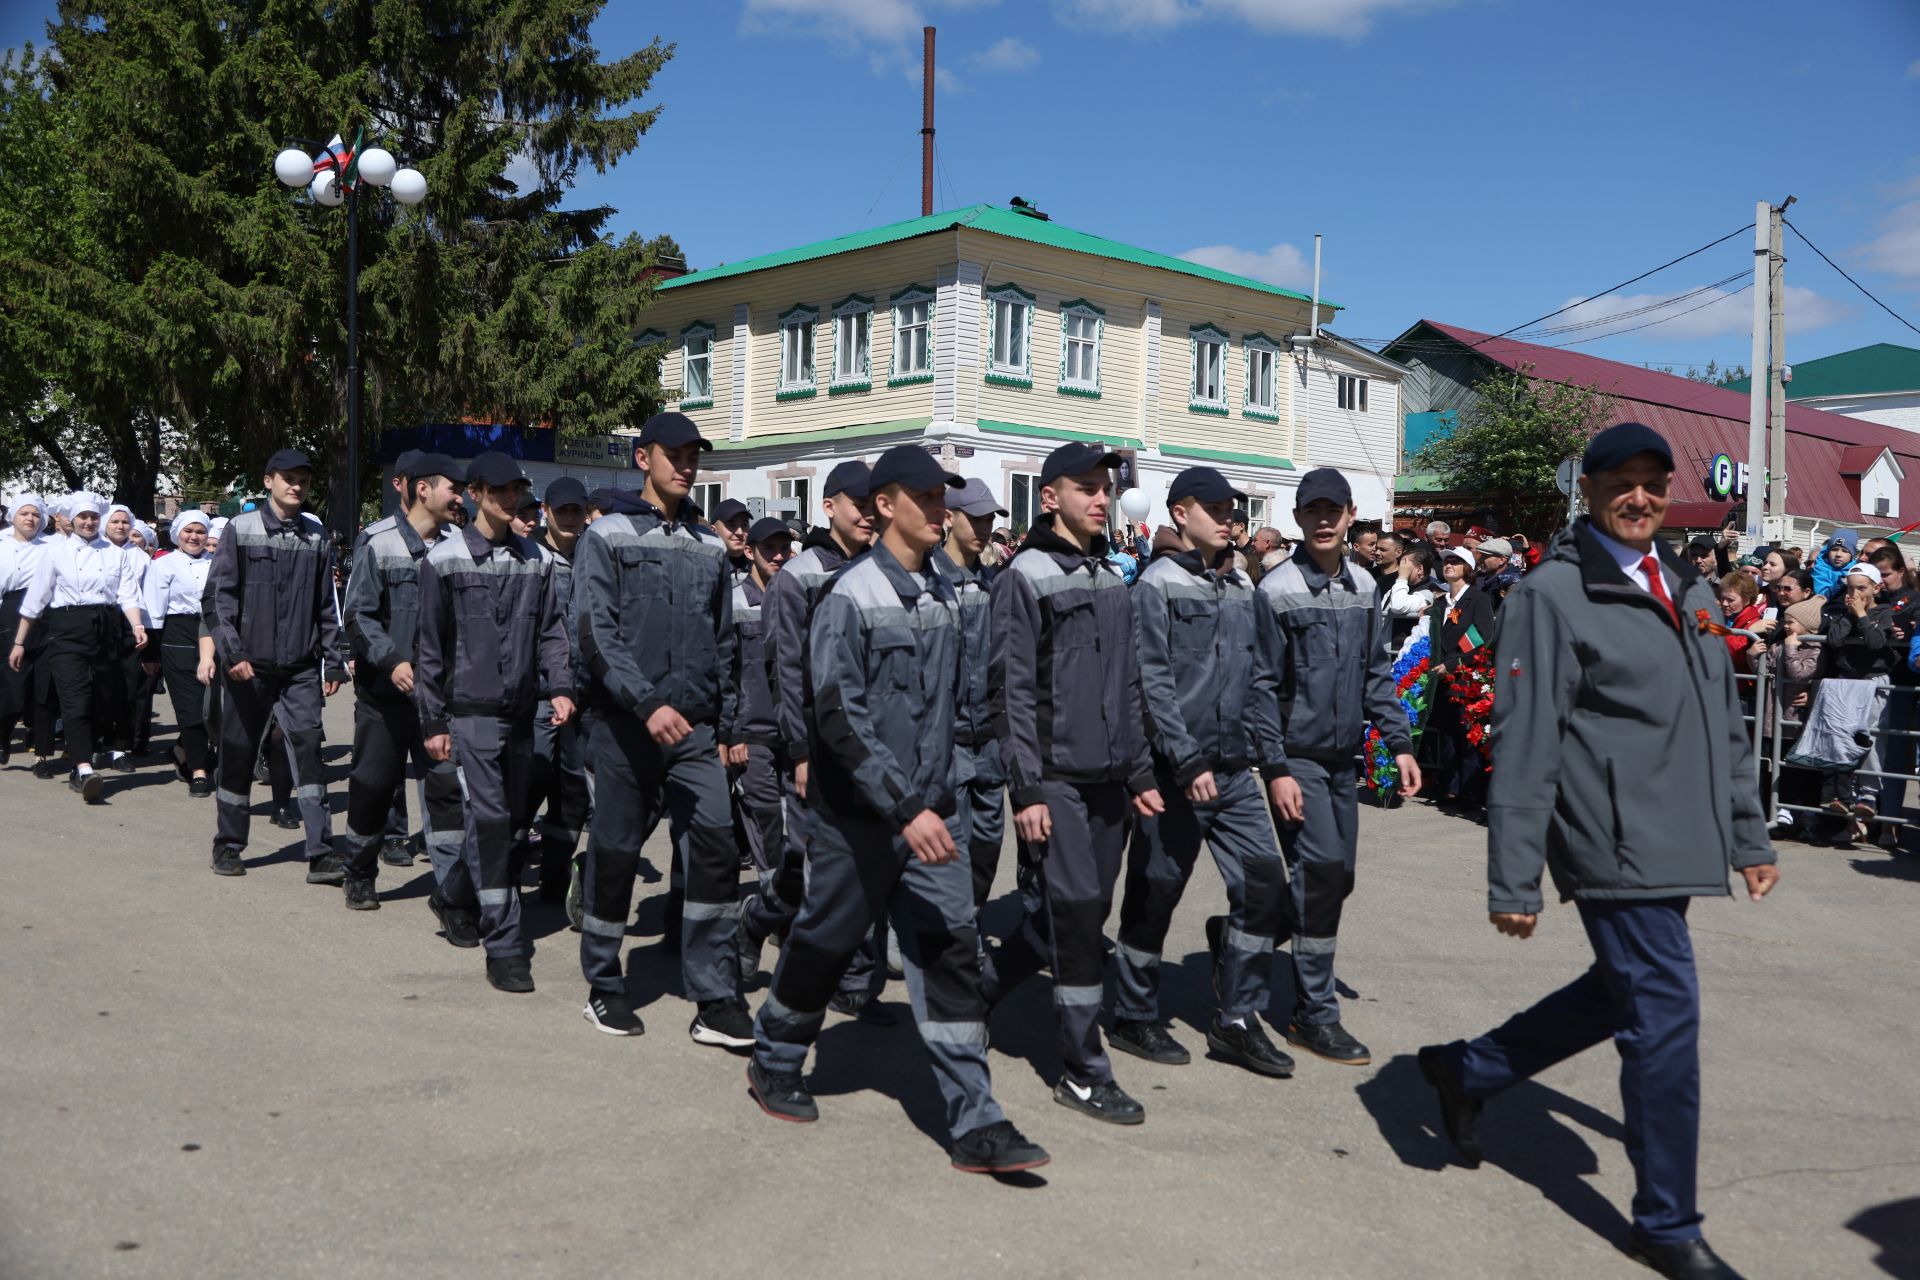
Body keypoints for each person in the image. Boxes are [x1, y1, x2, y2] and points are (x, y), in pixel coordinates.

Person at [1417, 421, 1778, 1280]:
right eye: (1623, 481)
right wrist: (1514, 875)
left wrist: (1747, 832)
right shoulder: (1553, 594)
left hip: (1680, 835)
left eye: (1655, 481)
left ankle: (1467, 1070)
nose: (1640, 497)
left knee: (1617, 993)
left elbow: (1723, 724)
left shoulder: (1687, 586)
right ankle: (1665, 1221)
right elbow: (1528, 735)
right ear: (1588, 489)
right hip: (1610, 836)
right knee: (1663, 1015)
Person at [746, 445, 1050, 1175]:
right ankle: (776, 1054)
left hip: (930, 813)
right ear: (885, 505)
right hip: (859, 820)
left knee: (950, 948)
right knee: (823, 943)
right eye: (926, 497)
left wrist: (970, 785)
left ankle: (977, 1120)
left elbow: (964, 704)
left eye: (942, 498)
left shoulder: (949, 593)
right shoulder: (849, 596)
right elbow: (839, 719)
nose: (941, 509)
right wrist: (903, 803)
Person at [987, 441, 1165, 1126]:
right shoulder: (1024, 576)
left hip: (1110, 784)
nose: (1101, 497)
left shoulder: (1112, 577)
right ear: (1049, 496)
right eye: (1086, 486)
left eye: (1106, 487)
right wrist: (1027, 791)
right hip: (1055, 779)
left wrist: (1141, 772)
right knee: (1082, 916)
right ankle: (1085, 1072)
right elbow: (1011, 695)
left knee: (1079, 913)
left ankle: (977, 989)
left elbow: (1128, 684)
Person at [1109, 466, 1295, 1077]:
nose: (1227, 518)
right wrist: (1184, 760)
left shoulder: (1243, 589)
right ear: (1180, 513)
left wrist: (1275, 765)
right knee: (1155, 892)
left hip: (1236, 771)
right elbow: (1151, 681)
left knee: (1265, 884)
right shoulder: (1155, 585)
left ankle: (1236, 1019)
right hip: (1175, 773)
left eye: (1231, 509)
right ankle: (1134, 1013)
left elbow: (1260, 683)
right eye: (1212, 508)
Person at [573, 413, 748, 1044]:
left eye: (693, 454)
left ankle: (716, 995)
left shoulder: (709, 546)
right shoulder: (608, 537)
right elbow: (596, 634)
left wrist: (728, 725)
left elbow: (725, 643)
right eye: (672, 453)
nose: (685, 463)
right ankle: (604, 983)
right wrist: (646, 704)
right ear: (643, 458)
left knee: (716, 850)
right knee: (617, 854)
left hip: (697, 731)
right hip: (627, 728)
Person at [1257, 468, 1421, 1066]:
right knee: (1322, 873)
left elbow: (1376, 672)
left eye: (1334, 510)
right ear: (1299, 519)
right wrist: (1273, 766)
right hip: (1296, 758)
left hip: (1342, 760)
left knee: (1336, 878)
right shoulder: (1275, 590)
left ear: (1352, 515)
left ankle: (1241, 940)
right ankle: (1313, 1014)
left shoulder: (1360, 586)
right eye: (1312, 511)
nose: (1323, 520)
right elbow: (1260, 685)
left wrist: (1399, 743)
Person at [413, 452, 573, 992]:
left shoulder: (538, 559)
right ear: (477, 492)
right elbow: (430, 648)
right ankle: (505, 945)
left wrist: (562, 686)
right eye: (500, 490)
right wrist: (433, 721)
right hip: (470, 715)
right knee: (493, 822)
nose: (511, 500)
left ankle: (452, 894)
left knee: (504, 827)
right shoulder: (445, 559)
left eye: (517, 491)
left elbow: (552, 631)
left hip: (525, 715)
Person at [757, 458, 882, 1017]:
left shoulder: (884, 569)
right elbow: (787, 670)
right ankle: (780, 939)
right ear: (829, 507)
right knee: (815, 864)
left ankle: (850, 976)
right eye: (858, 504)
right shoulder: (797, 576)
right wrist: (801, 751)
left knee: (857, 863)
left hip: (871, 747)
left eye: (873, 503)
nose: (869, 515)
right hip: (815, 745)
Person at [201, 450, 346, 878]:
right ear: (268, 481)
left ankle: (321, 852)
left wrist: (333, 662)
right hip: (249, 668)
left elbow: (326, 606)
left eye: (303, 479)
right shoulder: (240, 530)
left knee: (309, 753)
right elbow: (216, 600)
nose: (296, 485)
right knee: (239, 754)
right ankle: (228, 845)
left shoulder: (316, 539)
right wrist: (233, 654)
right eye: (288, 478)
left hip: (300, 669)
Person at [339, 453, 471, 917]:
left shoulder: (460, 545)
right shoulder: (377, 541)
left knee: (445, 790)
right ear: (422, 490)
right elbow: (357, 615)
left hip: (442, 698)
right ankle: (358, 872)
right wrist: (391, 661)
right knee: (373, 786)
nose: (461, 496)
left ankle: (453, 891)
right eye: (453, 488)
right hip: (385, 695)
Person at [9, 491, 146, 800]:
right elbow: (36, 600)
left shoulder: (115, 553)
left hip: (106, 626)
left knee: (102, 696)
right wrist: (19, 642)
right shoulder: (55, 553)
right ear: (72, 520)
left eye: (93, 517)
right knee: (75, 698)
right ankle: (83, 767)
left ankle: (85, 755)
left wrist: (136, 624)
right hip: (67, 627)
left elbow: (127, 593)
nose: (88, 522)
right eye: (83, 517)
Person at [933, 478, 1010, 920]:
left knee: (987, 845)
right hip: (950, 742)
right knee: (951, 849)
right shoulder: (930, 582)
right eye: (975, 517)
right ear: (948, 518)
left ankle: (966, 918)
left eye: (989, 519)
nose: (983, 527)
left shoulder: (992, 583)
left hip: (990, 743)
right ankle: (954, 937)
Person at [725, 515, 794, 982]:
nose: (778, 555)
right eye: (768, 548)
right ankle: (774, 909)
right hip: (752, 731)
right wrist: (731, 734)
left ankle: (778, 906)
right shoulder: (733, 602)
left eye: (783, 547)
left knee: (798, 826)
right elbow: (723, 670)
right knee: (765, 816)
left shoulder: (795, 595)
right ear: (749, 551)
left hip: (793, 730)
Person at [527, 476, 592, 906]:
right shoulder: (529, 557)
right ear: (546, 511)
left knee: (572, 796)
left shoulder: (596, 557)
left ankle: (553, 879)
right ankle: (497, 880)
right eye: (561, 510)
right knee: (527, 788)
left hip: (585, 696)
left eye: (576, 511)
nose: (569, 518)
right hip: (538, 695)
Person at [142, 510, 217, 795]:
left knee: (214, 705)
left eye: (200, 531)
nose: (194, 536)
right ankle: (197, 770)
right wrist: (151, 651)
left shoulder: (218, 562)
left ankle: (184, 750)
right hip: (178, 634)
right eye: (189, 531)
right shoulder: (165, 564)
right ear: (178, 534)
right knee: (190, 706)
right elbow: (154, 609)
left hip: (212, 632)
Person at [0, 494, 49, 767]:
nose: (30, 518)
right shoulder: (2, 546)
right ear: (13, 517)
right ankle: (3, 736)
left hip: (45, 617)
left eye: (35, 514)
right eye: (24, 514)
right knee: (12, 682)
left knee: (43, 686)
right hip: (10, 612)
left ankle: (42, 753)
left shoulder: (51, 546)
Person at [1380, 544, 1441, 651]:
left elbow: (1398, 605)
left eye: (1405, 565)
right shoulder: (1397, 588)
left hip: (1403, 656)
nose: (1400, 569)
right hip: (1383, 654)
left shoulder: (1428, 592)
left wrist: (1402, 577)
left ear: (1419, 569)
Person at [710, 498, 751, 585]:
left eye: (744, 525)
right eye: (731, 525)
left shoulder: (759, 568)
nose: (740, 532)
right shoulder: (705, 570)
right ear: (713, 530)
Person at [1810, 529, 1859, 599]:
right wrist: (1842, 582)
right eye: (1834, 549)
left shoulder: (1857, 570)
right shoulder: (1819, 569)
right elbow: (1822, 597)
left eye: (1845, 551)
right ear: (1827, 552)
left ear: (1852, 555)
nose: (1838, 554)